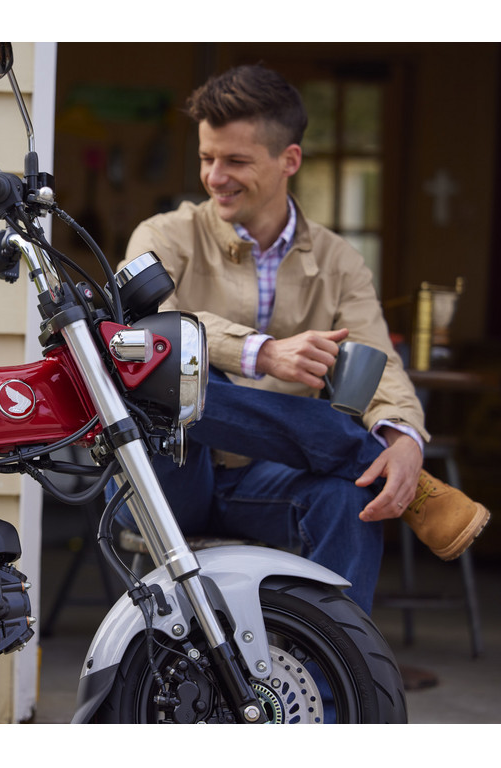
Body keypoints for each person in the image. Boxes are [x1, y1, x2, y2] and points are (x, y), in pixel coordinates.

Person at [119, 64, 490, 614]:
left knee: (351, 495)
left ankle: (342, 663)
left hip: (263, 480)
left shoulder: (340, 260)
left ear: (289, 160)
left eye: (235, 161)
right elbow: (142, 333)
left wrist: (404, 439)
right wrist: (263, 352)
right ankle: (355, 450)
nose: (215, 177)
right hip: (166, 474)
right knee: (183, 368)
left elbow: (377, 362)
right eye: (206, 158)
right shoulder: (162, 234)